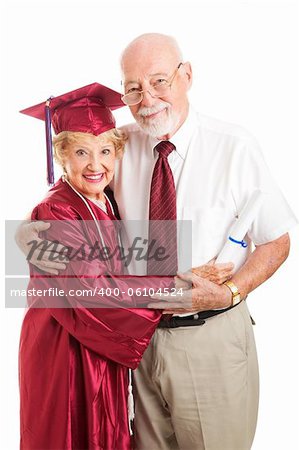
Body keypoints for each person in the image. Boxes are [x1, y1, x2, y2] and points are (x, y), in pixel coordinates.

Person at [17, 34, 297, 450]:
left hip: (209, 337)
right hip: (135, 346)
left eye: (159, 81)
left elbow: (277, 241)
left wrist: (229, 291)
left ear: (186, 76)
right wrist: (24, 231)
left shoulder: (234, 146)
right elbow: (76, 202)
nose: (147, 98)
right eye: (133, 87)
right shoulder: (121, 144)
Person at [18, 82, 178, 450]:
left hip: (96, 340)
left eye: (105, 150)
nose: (95, 165)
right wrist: (169, 288)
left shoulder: (105, 201)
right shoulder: (56, 210)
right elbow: (92, 291)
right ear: (62, 157)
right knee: (73, 431)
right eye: (81, 152)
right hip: (66, 347)